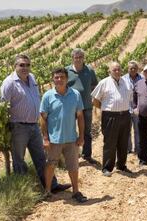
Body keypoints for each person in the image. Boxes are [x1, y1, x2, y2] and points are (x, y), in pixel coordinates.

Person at [0, 54, 70, 194]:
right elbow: (3, 106)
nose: (25, 68)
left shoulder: (31, 78)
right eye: (21, 65)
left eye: (27, 65)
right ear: (15, 66)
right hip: (18, 126)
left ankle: (51, 185)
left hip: (34, 125)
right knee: (19, 160)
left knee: (40, 157)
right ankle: (25, 191)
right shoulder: (9, 83)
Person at [40, 67, 88, 203]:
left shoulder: (75, 94)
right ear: (53, 79)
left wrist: (81, 136)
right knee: (50, 165)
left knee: (73, 166)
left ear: (67, 79)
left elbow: (80, 117)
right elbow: (43, 118)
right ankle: (47, 191)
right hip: (54, 139)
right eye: (56, 77)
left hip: (71, 138)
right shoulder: (47, 96)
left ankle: (76, 191)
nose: (59, 80)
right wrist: (45, 138)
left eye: (62, 77)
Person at [91, 62, 132, 177]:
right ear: (110, 71)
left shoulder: (127, 82)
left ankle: (122, 165)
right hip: (110, 116)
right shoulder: (104, 83)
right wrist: (106, 108)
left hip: (125, 115)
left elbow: (129, 98)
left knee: (123, 142)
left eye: (119, 69)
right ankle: (107, 168)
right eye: (114, 70)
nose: (117, 71)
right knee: (110, 142)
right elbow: (95, 100)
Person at [66, 48, 98, 164]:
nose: (78, 59)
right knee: (70, 130)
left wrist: (92, 97)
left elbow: (95, 85)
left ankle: (87, 155)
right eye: (76, 57)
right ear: (72, 58)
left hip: (86, 106)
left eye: (80, 57)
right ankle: (72, 155)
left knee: (86, 131)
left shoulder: (89, 70)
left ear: (83, 58)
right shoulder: (67, 71)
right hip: (70, 107)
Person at [121, 61, 143, 154]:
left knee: (138, 130)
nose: (133, 70)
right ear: (128, 69)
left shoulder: (142, 78)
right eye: (131, 68)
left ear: (137, 69)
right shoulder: (123, 79)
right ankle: (128, 149)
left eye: (134, 68)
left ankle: (138, 149)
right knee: (127, 130)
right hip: (126, 108)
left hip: (138, 108)